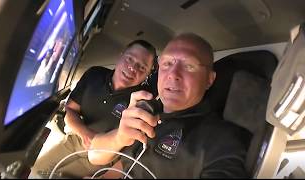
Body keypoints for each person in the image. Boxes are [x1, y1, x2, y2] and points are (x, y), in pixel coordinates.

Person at [87, 33, 249, 178]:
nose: (173, 74)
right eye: (167, 63)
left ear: (209, 79)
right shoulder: (144, 111)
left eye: (189, 66)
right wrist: (119, 138)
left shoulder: (221, 141)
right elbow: (94, 156)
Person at [29, 39, 157, 178]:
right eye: (129, 59)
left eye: (142, 67)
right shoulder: (94, 74)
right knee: (36, 172)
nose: (132, 68)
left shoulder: (142, 102)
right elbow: (70, 110)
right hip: (75, 140)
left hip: (104, 159)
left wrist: (107, 176)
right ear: (121, 55)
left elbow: (131, 150)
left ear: (147, 75)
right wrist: (86, 134)